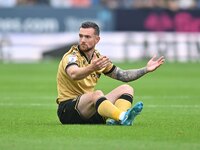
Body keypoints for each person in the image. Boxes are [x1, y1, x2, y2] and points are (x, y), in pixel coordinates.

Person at [56, 21, 164, 126]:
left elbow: (123, 75)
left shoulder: (98, 58)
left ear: (97, 39)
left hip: (89, 111)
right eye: (81, 36)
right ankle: (121, 116)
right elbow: (74, 74)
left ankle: (120, 119)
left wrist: (146, 69)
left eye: (87, 37)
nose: (83, 40)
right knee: (97, 94)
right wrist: (92, 67)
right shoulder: (71, 56)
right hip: (68, 111)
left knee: (126, 88)